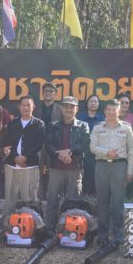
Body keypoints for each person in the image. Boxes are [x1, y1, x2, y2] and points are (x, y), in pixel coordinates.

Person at [90, 99, 133, 247]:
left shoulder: (126, 128)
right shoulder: (98, 128)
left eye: (114, 110)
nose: (111, 112)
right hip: (102, 166)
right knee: (102, 202)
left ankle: (118, 235)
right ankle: (102, 235)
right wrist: (107, 152)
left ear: (119, 111)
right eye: (108, 109)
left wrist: (130, 171)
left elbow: (131, 152)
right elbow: (92, 147)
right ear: (104, 111)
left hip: (119, 167)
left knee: (117, 203)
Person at [44, 96, 90, 233]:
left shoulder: (83, 126)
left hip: (74, 168)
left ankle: (71, 231)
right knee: (52, 201)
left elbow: (85, 144)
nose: (69, 109)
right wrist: (59, 154)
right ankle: (50, 231)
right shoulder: (53, 125)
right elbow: (48, 144)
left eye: (72, 107)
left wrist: (69, 151)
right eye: (66, 106)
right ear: (61, 109)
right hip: (56, 168)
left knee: (73, 202)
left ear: (77, 109)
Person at [3, 95, 45, 217]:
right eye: (23, 105)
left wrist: (25, 157)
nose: (25, 108)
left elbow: (38, 144)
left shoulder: (39, 124)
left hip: (30, 166)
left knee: (30, 198)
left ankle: (32, 222)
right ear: (19, 107)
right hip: (12, 165)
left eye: (28, 105)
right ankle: (8, 223)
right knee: (10, 198)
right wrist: (16, 157)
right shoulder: (12, 123)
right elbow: (8, 141)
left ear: (33, 107)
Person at [34, 82, 62, 201]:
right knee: (37, 173)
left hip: (54, 145)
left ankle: (52, 198)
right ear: (42, 93)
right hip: (38, 145)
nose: (48, 93)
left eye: (51, 91)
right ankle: (37, 199)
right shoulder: (36, 108)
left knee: (54, 174)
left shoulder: (60, 109)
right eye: (46, 91)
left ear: (55, 94)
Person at [77, 94, 105, 196]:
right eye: (91, 101)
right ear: (87, 103)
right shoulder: (80, 116)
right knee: (83, 173)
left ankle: (93, 195)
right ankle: (82, 194)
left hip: (97, 151)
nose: (93, 103)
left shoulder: (102, 118)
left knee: (94, 172)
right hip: (82, 149)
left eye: (95, 102)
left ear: (98, 104)